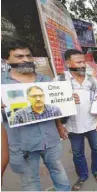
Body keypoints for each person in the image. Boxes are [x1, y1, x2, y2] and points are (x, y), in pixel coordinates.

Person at [1, 40, 70, 191]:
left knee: (59, 172)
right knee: (30, 182)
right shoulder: (2, 83)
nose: (25, 59)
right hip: (22, 144)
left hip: (50, 139)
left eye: (28, 55)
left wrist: (59, 125)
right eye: (19, 56)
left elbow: (56, 107)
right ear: (7, 60)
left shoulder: (45, 80)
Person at [59, 49, 97, 191]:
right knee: (78, 153)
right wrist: (60, 126)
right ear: (67, 63)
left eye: (83, 61)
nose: (83, 65)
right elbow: (53, 106)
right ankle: (83, 175)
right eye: (78, 62)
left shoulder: (92, 80)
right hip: (72, 126)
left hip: (92, 123)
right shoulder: (59, 81)